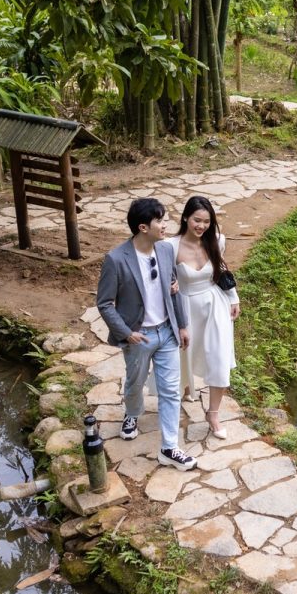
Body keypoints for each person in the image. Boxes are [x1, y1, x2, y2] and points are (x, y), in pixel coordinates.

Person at [96, 197, 195, 470]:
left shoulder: (164, 251)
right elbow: (104, 303)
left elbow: (174, 288)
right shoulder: (116, 259)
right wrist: (127, 333)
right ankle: (132, 413)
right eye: (160, 221)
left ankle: (170, 448)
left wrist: (182, 325)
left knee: (170, 391)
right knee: (135, 384)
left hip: (167, 332)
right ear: (143, 227)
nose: (165, 225)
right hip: (139, 337)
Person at [167, 195, 240, 440]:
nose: (201, 226)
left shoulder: (216, 241)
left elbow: (221, 270)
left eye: (207, 222)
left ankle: (213, 413)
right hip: (186, 306)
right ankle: (186, 389)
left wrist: (233, 297)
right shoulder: (171, 246)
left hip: (214, 303)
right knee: (185, 356)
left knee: (218, 357)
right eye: (197, 220)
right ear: (186, 217)